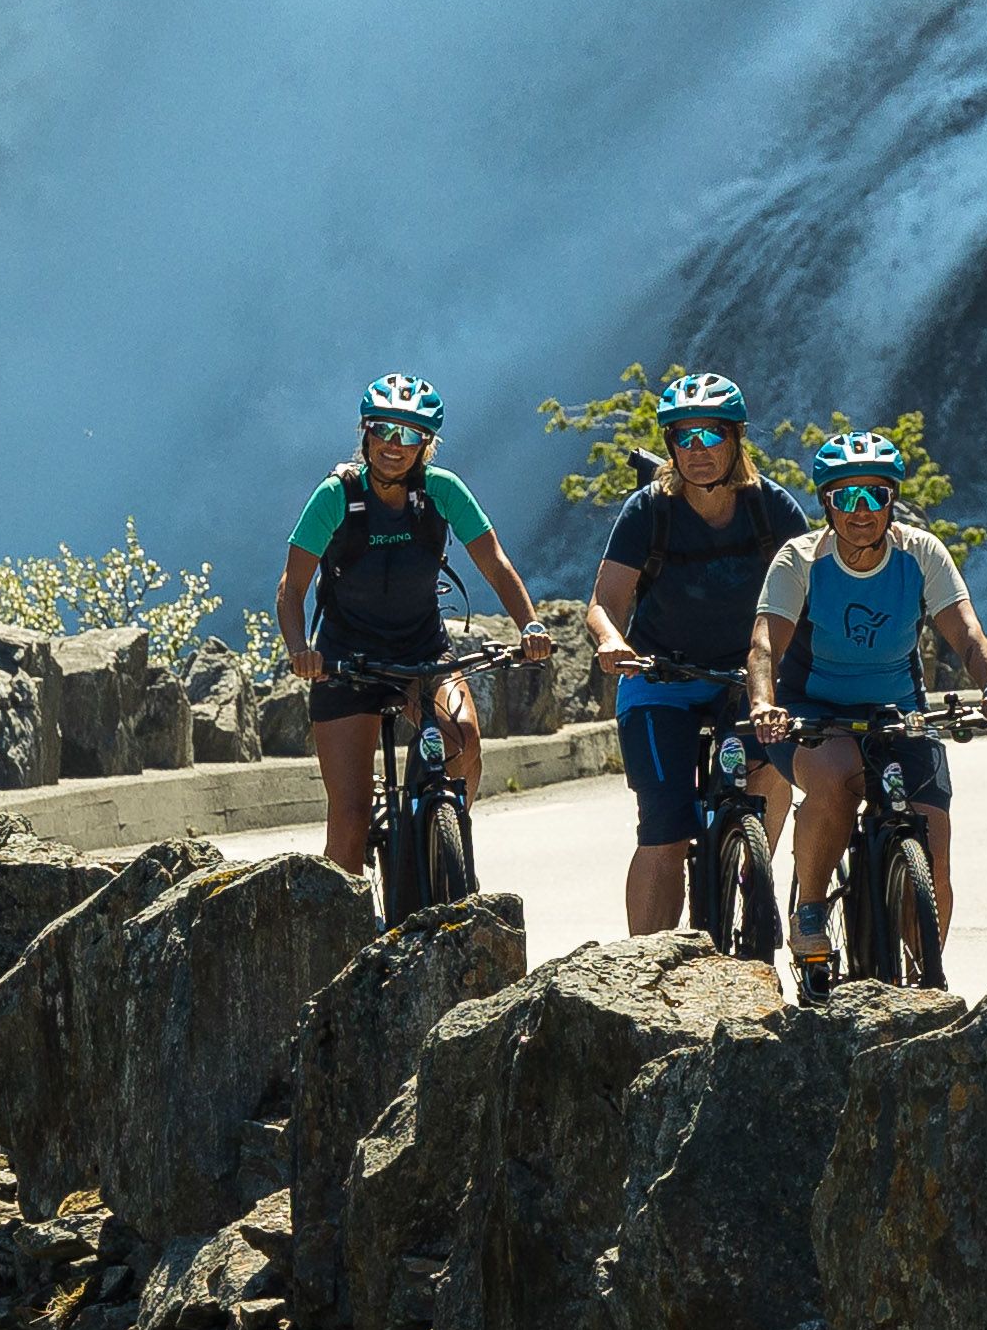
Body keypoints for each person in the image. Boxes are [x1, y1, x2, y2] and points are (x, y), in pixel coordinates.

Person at [744, 431, 987, 973]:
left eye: (874, 496)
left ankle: (925, 971)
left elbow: (965, 633)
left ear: (892, 500)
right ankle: (811, 912)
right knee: (838, 775)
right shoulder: (801, 559)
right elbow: (764, 644)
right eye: (846, 497)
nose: (861, 510)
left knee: (933, 841)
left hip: (899, 713)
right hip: (809, 712)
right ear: (827, 503)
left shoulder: (921, 554)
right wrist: (763, 703)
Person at [276, 372, 539, 878]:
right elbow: (291, 586)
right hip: (345, 662)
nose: (395, 446)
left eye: (411, 435)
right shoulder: (335, 495)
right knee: (349, 821)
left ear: (427, 444)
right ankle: (348, 938)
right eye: (384, 430)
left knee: (462, 740)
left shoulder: (442, 491)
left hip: (421, 652)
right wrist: (299, 648)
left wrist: (529, 625)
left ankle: (440, 828)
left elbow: (496, 564)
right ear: (366, 434)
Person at [583, 371, 810, 935]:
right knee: (664, 828)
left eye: (711, 435)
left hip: (747, 678)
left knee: (775, 766)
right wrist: (612, 641)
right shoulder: (649, 511)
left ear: (736, 440)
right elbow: (604, 602)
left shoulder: (771, 509)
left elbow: (812, 597)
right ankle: (644, 968)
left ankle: (750, 863)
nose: (698, 450)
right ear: (670, 446)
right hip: (663, 678)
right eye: (684, 437)